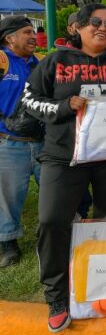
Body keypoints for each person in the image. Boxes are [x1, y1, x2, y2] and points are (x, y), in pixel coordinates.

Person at [22, 3, 106, 332]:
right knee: (51, 221)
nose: (102, 27)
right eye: (95, 22)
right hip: (63, 159)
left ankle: (103, 288)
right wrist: (64, 106)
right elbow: (30, 99)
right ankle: (57, 296)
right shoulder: (57, 61)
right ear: (78, 26)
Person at [0, 16, 41, 268]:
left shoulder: (40, 63)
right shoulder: (1, 61)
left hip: (41, 141)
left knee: (52, 191)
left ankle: (48, 235)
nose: (33, 36)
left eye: (33, 31)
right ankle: (8, 243)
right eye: (27, 32)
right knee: (8, 196)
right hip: (9, 142)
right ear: (10, 38)